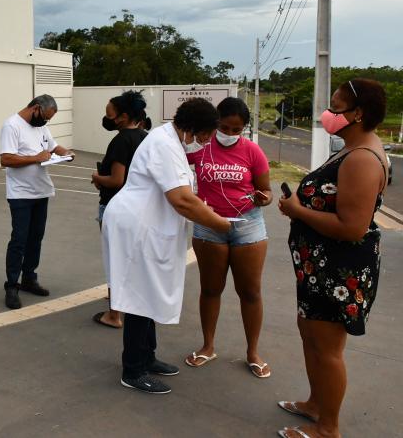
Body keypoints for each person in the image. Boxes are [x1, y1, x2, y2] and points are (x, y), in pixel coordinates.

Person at [277, 79, 388, 438]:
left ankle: (329, 428)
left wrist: (297, 210)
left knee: (327, 348)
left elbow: (352, 227)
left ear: (358, 114)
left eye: (337, 106)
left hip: (340, 272)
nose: (329, 113)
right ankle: (315, 404)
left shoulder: (362, 159)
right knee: (310, 335)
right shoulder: (348, 149)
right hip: (318, 267)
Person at [102, 98, 231, 394]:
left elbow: (186, 193)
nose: (206, 142)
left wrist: (208, 211)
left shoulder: (171, 141)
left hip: (149, 226)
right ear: (193, 128)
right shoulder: (164, 145)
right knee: (138, 296)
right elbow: (182, 200)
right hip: (137, 227)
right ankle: (133, 370)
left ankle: (147, 357)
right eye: (206, 135)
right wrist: (219, 224)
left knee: (148, 294)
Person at [183, 97, 273, 378]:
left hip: (248, 225)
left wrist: (263, 198)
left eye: (237, 130)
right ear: (214, 123)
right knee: (210, 289)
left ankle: (252, 352)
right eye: (224, 127)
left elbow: (266, 192)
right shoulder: (200, 149)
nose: (230, 134)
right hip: (209, 225)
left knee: (250, 291)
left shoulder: (253, 152)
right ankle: (208, 346)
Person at [0, 94, 75, 309]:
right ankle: (11, 286)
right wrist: (35, 158)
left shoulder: (40, 126)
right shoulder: (11, 126)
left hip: (41, 192)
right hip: (21, 194)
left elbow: (52, 147)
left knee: (36, 238)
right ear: (36, 107)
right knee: (19, 240)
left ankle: (29, 278)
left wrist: (66, 153)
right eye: (45, 117)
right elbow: (6, 159)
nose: (45, 122)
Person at [91, 90, 149, 329]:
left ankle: (114, 314)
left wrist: (96, 177)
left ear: (123, 117)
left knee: (114, 258)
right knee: (132, 258)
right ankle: (128, 300)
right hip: (140, 209)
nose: (107, 119)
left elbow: (116, 180)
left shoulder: (121, 140)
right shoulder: (146, 137)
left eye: (110, 115)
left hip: (116, 206)